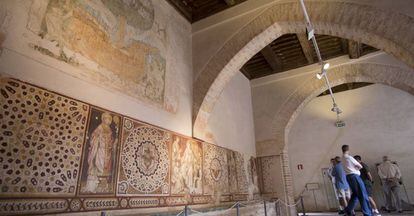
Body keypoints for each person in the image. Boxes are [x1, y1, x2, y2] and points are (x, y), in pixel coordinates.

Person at [339, 145, 372, 216]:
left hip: (348, 177)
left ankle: (348, 210)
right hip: (355, 176)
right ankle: (367, 213)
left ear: (342, 150)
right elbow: (360, 166)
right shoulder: (349, 157)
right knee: (363, 194)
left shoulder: (342, 158)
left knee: (355, 195)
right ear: (348, 150)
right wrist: (356, 169)